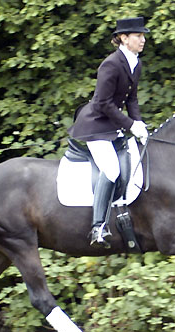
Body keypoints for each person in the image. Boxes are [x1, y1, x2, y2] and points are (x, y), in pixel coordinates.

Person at [68, 17, 150, 248]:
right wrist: (129, 125)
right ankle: (97, 227)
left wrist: (139, 123)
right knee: (112, 170)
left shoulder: (135, 63)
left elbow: (131, 99)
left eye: (143, 36)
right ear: (124, 38)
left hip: (113, 125)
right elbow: (103, 103)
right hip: (95, 126)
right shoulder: (111, 64)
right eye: (138, 36)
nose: (143, 40)